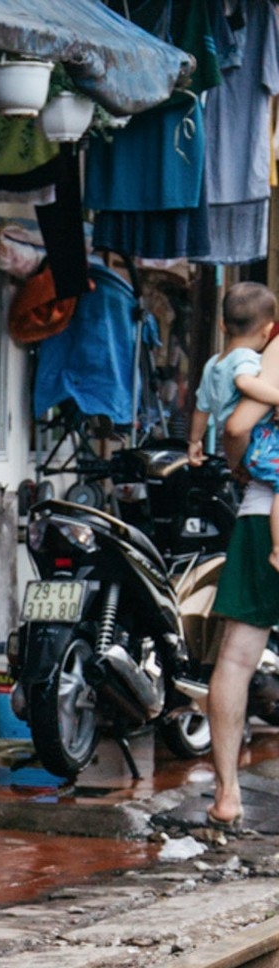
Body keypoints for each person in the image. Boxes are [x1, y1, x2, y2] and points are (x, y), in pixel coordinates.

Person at [206, 312, 279, 829]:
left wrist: (239, 464)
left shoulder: (273, 352)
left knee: (235, 660)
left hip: (262, 513)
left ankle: (228, 794)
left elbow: (235, 425)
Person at [187, 281, 279, 574]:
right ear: (267, 330)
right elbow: (244, 386)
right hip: (260, 440)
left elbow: (201, 408)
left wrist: (194, 442)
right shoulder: (247, 360)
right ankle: (277, 548)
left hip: (246, 446)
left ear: (223, 326)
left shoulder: (213, 362)